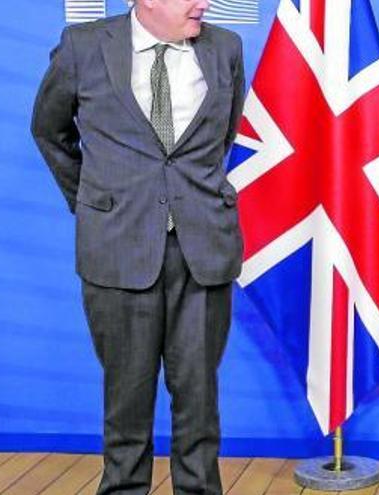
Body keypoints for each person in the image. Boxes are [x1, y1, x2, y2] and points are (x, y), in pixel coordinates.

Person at [31, 0, 245, 492]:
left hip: (204, 252)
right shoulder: (83, 48)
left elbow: (224, 136)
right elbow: (49, 129)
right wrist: (95, 203)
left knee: (199, 406)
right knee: (126, 407)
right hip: (117, 252)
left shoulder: (225, 49)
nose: (205, 3)